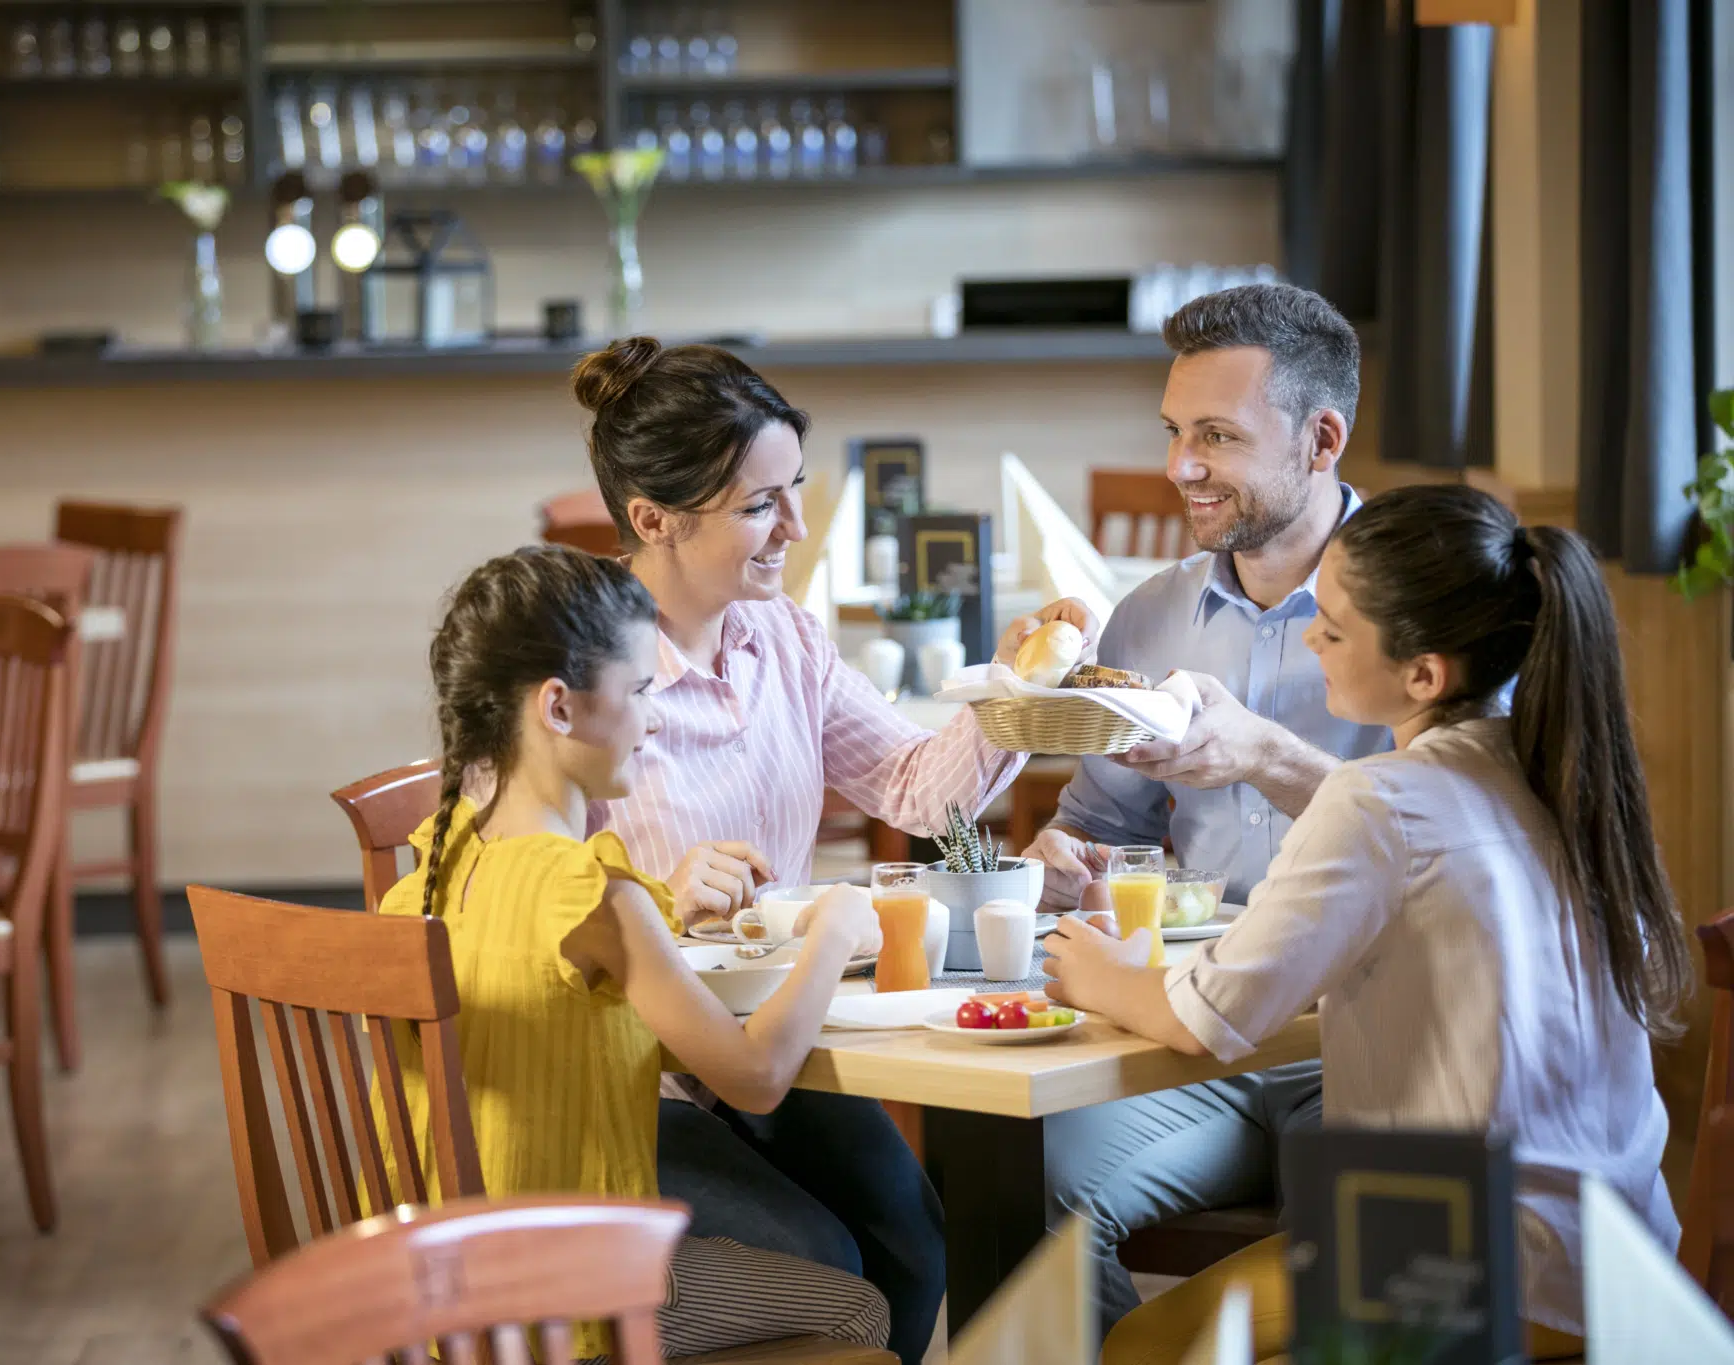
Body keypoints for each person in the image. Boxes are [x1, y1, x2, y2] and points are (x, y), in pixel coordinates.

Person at [1043, 484, 1687, 1363]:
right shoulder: (1571, 785)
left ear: (1424, 676)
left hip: (1458, 1262)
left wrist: (1091, 969)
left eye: (1335, 630)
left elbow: (1206, 1015)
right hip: (1626, 1263)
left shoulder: (1381, 801)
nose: (1311, 638)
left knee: (1146, 1341)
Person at [569, 335, 1072, 1364]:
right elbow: (509, 895)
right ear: (651, 520)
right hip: (633, 1076)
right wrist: (650, 894)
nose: (797, 528)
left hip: (778, 1043)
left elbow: (916, 790)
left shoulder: (783, 641)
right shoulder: (579, 671)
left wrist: (1013, 694)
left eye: (794, 490)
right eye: (761, 506)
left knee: (913, 1242)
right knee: (834, 1271)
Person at [378, 545, 894, 1361]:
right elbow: (755, 1079)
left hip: (454, 1293)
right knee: (859, 1308)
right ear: (558, 707)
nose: (656, 720)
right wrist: (833, 931)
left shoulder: (430, 875)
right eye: (642, 691)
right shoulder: (596, 894)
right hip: (570, 1305)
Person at [1019, 282, 1389, 1335]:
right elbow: (1107, 824)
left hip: (1364, 1041)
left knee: (1355, 1261)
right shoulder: (1147, 616)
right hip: (1187, 1037)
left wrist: (1266, 756)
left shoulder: (1425, 599)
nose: (1181, 467)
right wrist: (1065, 856)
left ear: (1320, 439)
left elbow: (1463, 827)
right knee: (1028, 1184)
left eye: (1217, 436)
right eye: (1176, 432)